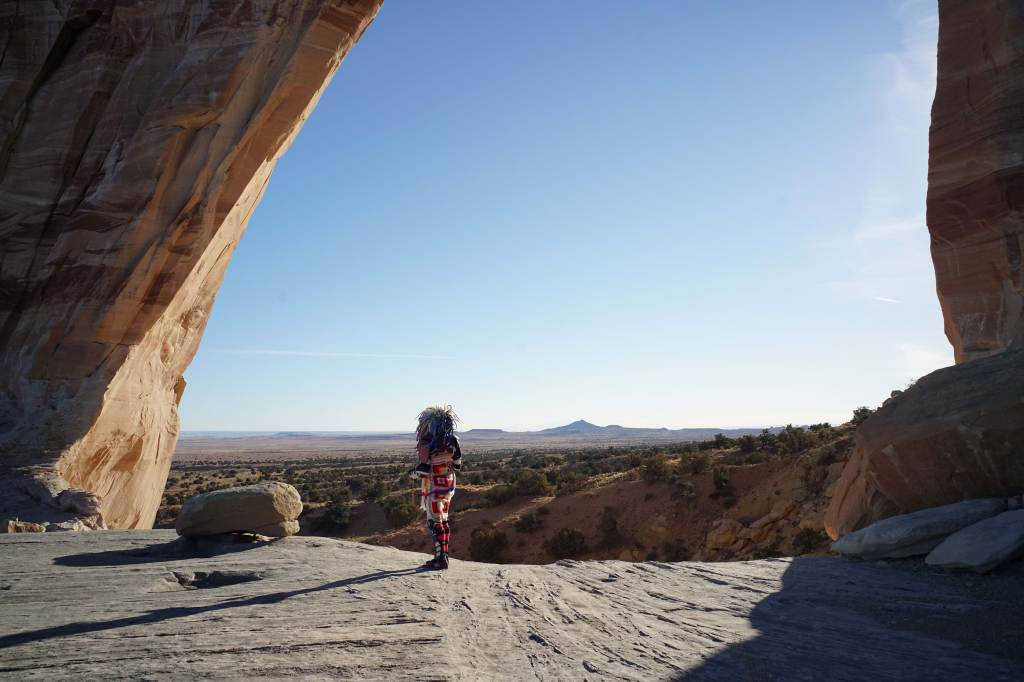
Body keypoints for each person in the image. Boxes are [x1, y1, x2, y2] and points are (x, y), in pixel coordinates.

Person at [412, 405, 462, 570]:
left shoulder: (427, 443)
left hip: (433, 486)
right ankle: (444, 556)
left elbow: (422, 470)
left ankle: (440, 559)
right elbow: (458, 464)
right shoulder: (453, 440)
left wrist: (412, 474)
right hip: (448, 485)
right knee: (444, 520)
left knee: (434, 522)